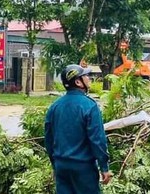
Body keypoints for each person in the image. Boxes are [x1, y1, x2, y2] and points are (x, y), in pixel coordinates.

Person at [44, 64, 113, 194]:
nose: (89, 78)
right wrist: (104, 167)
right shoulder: (89, 106)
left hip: (62, 167)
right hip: (83, 169)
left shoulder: (55, 107)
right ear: (78, 82)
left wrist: (55, 165)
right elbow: (97, 140)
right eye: (86, 76)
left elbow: (48, 139)